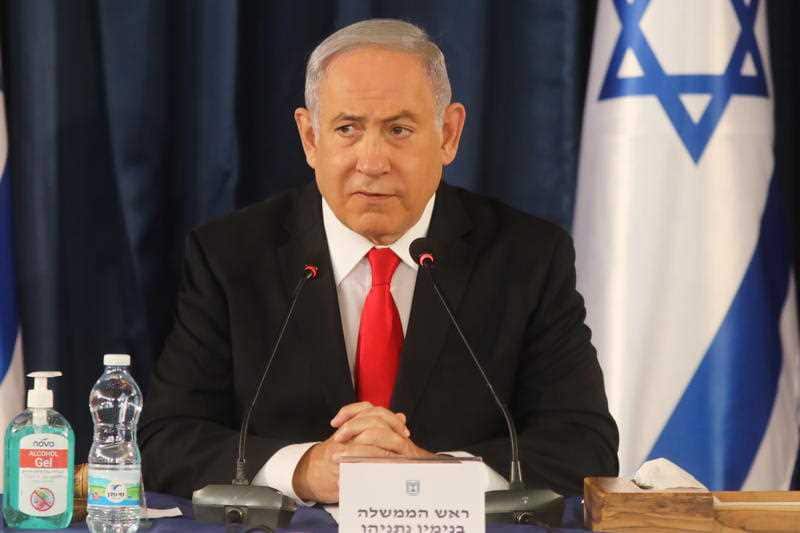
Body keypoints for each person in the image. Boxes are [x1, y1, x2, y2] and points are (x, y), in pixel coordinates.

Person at [139, 18, 619, 503]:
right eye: (347, 128)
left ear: (449, 134)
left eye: (399, 129)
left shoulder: (527, 257)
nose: (372, 161)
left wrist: (435, 475)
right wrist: (305, 470)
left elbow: (585, 445)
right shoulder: (231, 255)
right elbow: (167, 440)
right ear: (310, 138)